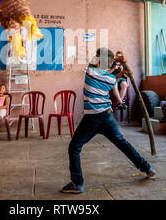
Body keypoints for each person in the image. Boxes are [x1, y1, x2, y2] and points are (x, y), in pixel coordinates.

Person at [61, 48, 155, 194]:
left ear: (99, 60)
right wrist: (120, 65)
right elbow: (109, 71)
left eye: (98, 57)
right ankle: (147, 168)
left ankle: (77, 183)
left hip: (92, 118)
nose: (95, 58)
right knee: (123, 144)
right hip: (107, 116)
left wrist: (113, 61)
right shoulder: (110, 80)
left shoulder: (91, 71)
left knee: (74, 147)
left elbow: (97, 62)